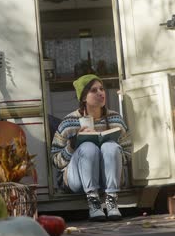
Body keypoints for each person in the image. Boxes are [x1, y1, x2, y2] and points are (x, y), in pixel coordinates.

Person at [51, 74, 130, 221]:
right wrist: (73, 144)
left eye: (102, 89)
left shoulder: (116, 119)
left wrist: (109, 154)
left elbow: (128, 153)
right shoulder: (69, 122)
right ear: (83, 98)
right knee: (88, 147)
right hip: (77, 180)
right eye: (94, 90)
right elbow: (56, 161)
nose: (100, 93)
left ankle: (111, 200)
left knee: (110, 146)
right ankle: (93, 203)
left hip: (108, 179)